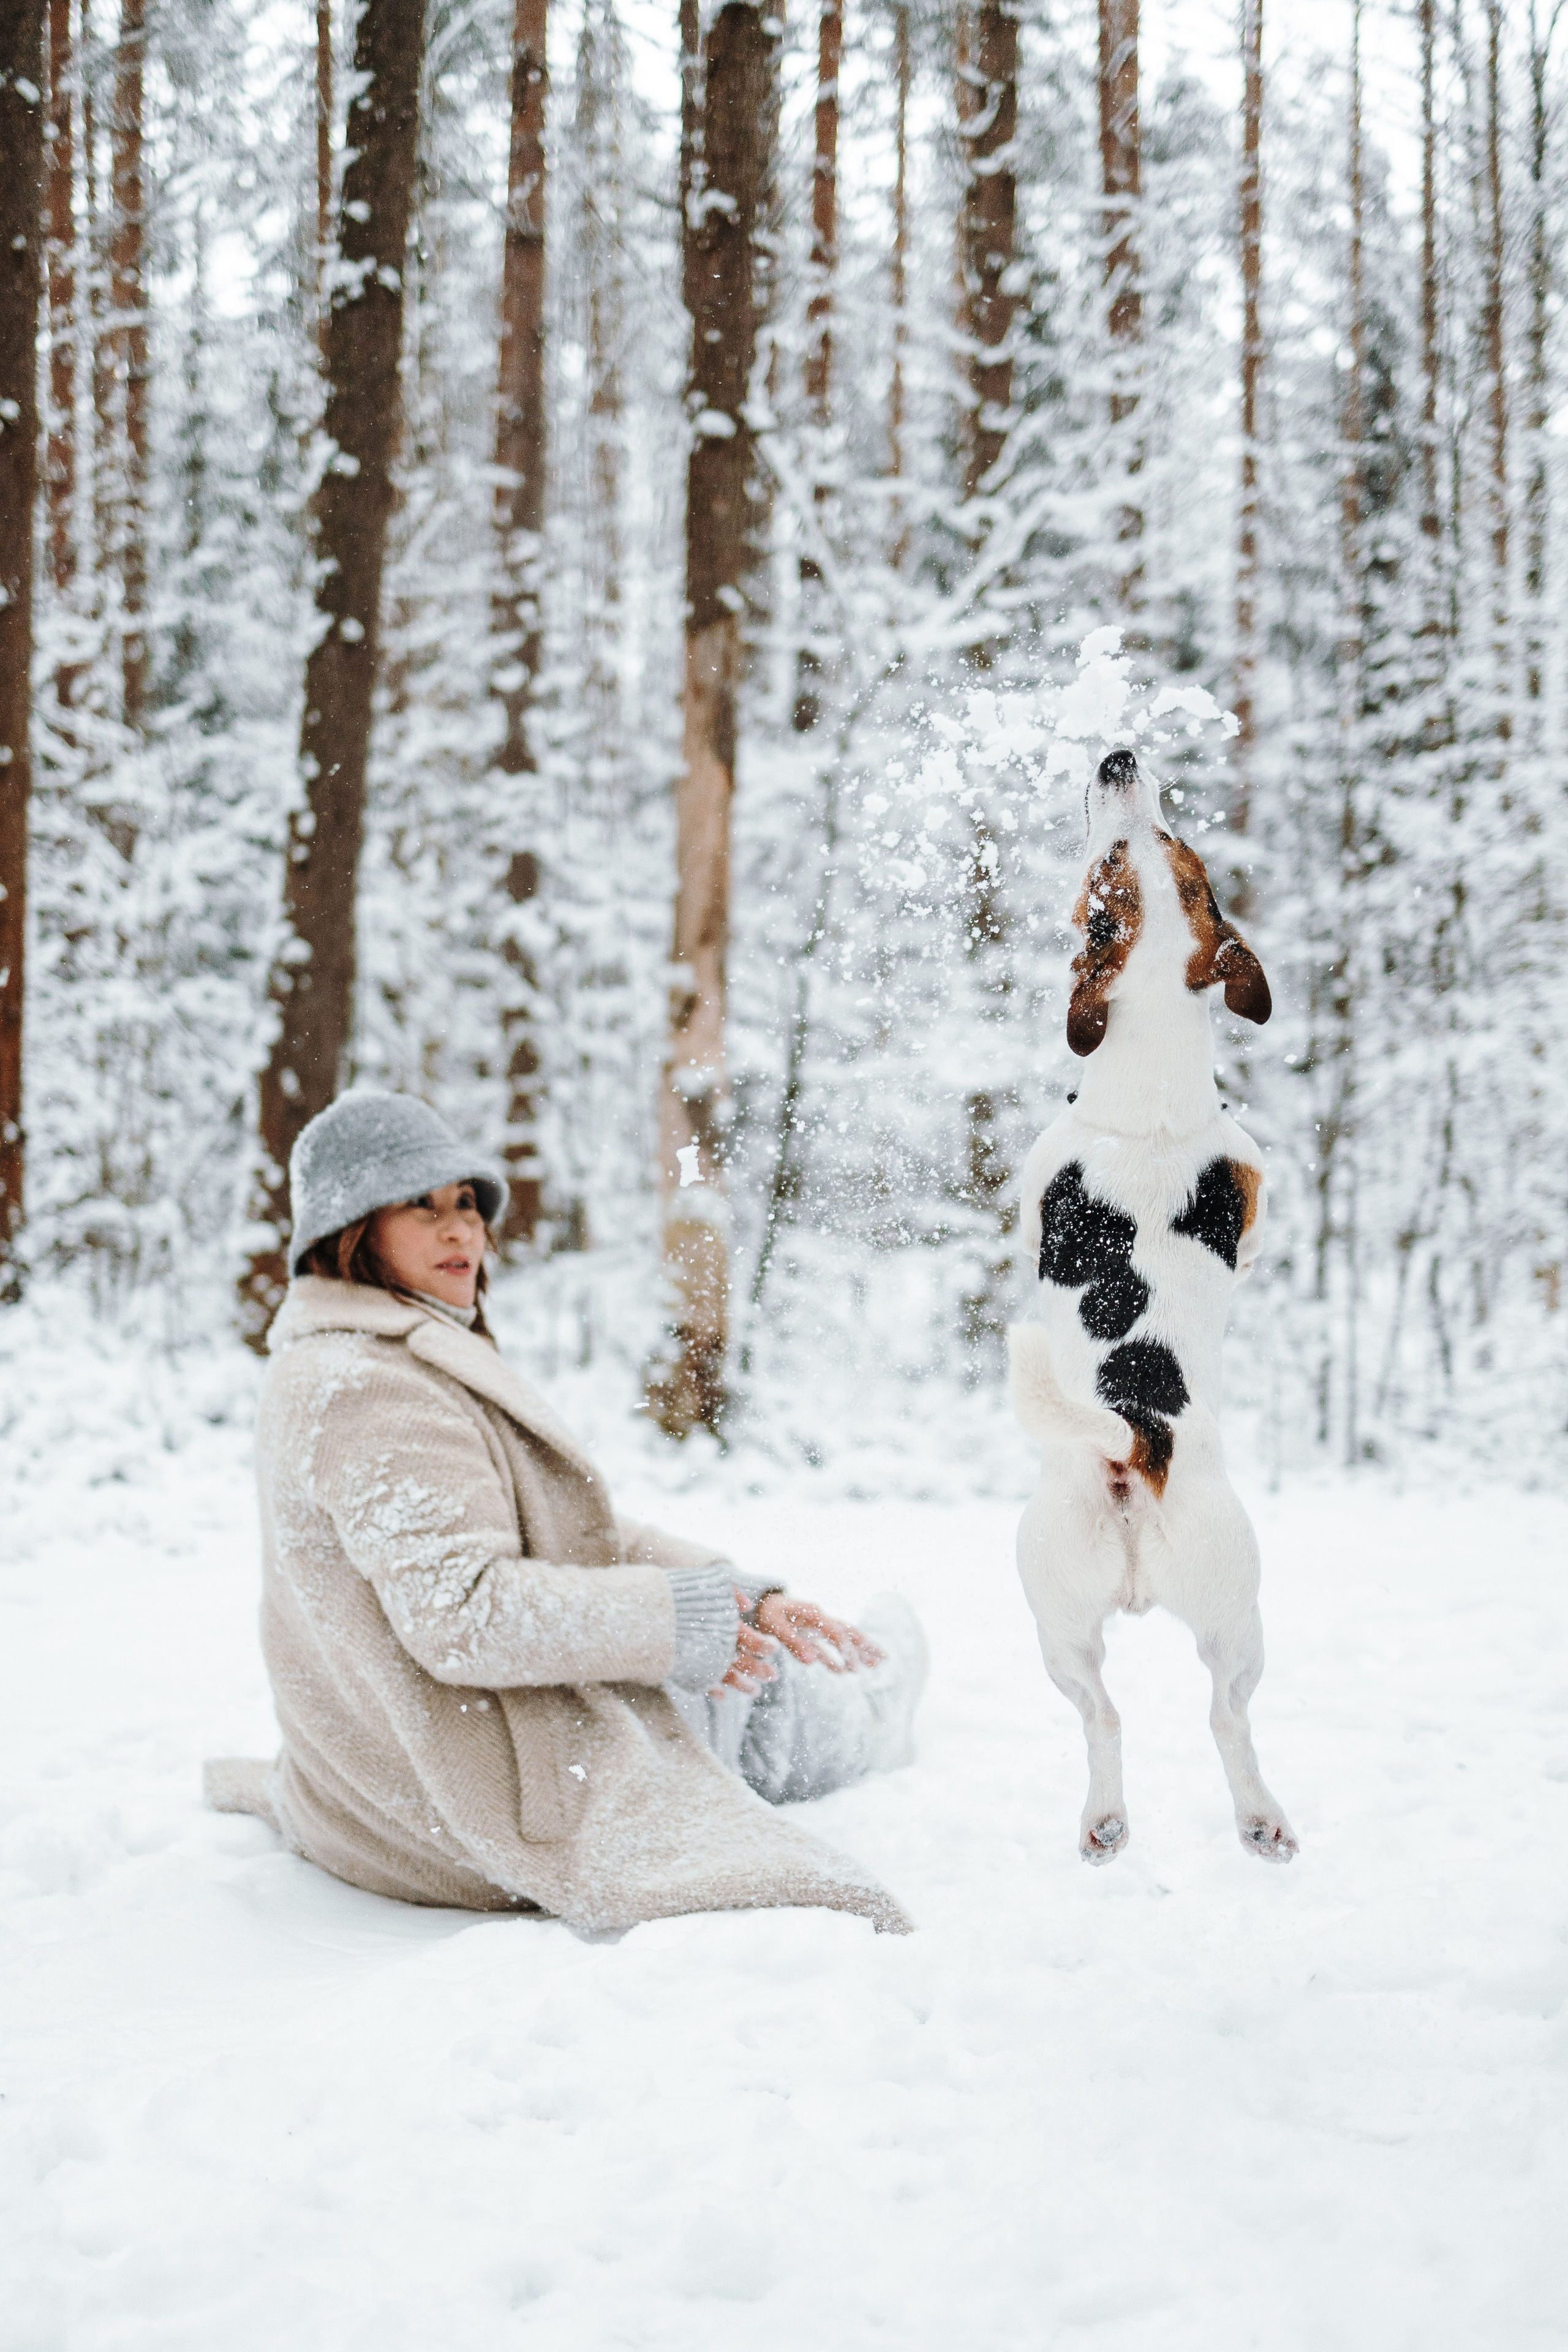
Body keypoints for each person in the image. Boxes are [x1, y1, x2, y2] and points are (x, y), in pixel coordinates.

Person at [207, 1091, 924, 1934]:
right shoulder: (367, 1385)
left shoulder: (376, 1356)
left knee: (718, 1668)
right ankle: (875, 1708)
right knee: (743, 1703)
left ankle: (847, 1687)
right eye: (421, 1206)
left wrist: (733, 1597)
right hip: (465, 1806)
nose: (460, 1230)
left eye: (467, 1203)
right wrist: (691, 1625)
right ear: (349, 1230)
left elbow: (564, 1537)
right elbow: (466, 1615)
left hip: (399, 1780)